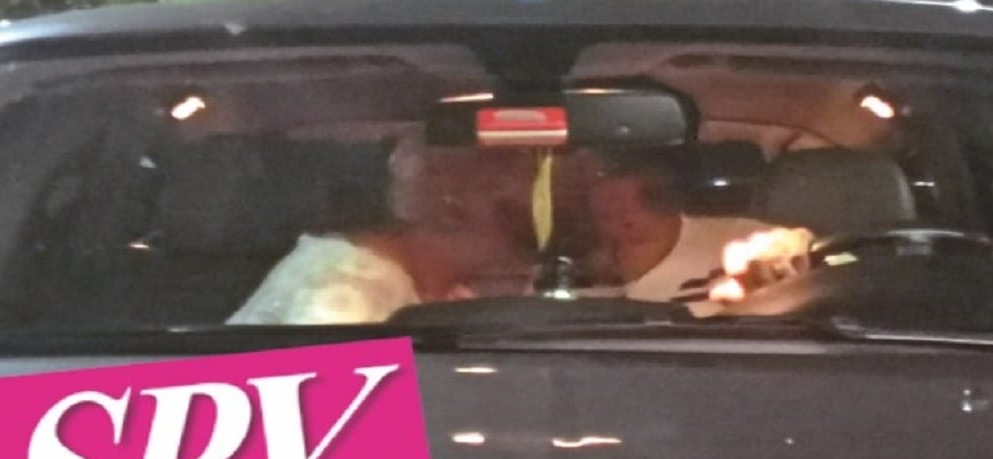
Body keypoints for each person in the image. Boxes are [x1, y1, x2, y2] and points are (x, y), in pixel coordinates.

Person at [228, 136, 535, 325]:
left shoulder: (412, 286)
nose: (517, 252)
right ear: (452, 215)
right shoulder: (348, 291)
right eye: (512, 221)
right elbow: (330, 409)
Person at [586, 160, 814, 316]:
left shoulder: (744, 241)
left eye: (609, 211)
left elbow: (803, 252)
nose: (603, 222)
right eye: (599, 214)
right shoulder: (585, 268)